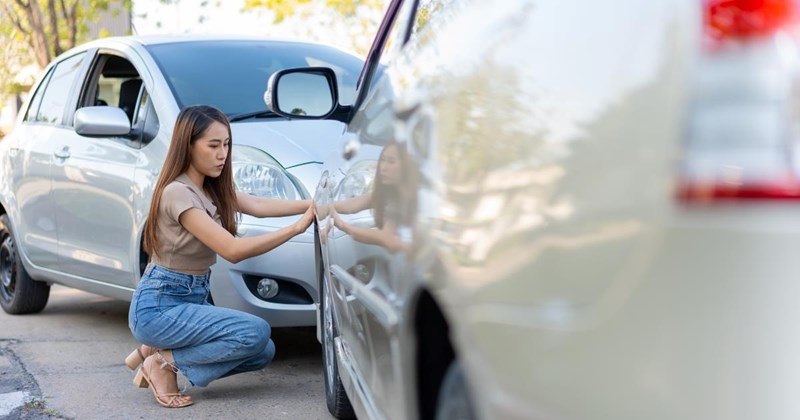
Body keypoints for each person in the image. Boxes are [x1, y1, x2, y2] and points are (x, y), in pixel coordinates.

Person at [124, 105, 314, 408]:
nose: (222, 154)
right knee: (255, 332)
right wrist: (296, 228)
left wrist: (316, 205)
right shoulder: (177, 192)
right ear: (188, 145)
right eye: (213, 145)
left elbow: (259, 205)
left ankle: (155, 352)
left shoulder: (209, 188)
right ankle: (161, 363)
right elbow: (232, 250)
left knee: (262, 351)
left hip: (192, 297)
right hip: (160, 304)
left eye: (226, 144)